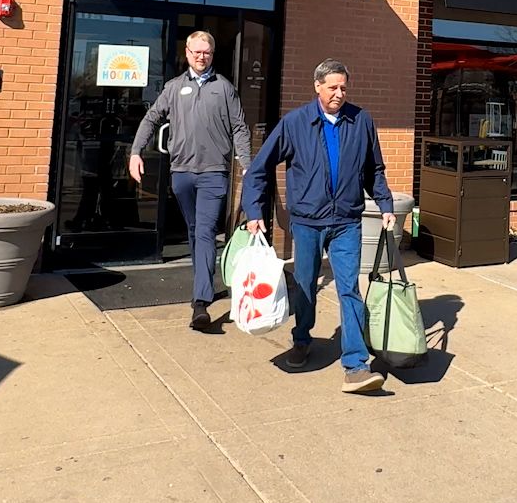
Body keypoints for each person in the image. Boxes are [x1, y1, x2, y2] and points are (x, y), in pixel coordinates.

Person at [241, 58, 396, 394]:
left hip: (346, 222)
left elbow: (374, 169)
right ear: (317, 87)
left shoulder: (361, 121)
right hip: (308, 222)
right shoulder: (295, 123)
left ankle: (356, 365)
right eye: (332, 87)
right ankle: (301, 339)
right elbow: (259, 168)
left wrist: (384, 204)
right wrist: (254, 210)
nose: (339, 93)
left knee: (349, 290)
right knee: (306, 285)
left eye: (343, 87)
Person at [130, 30, 250, 331]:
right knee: (195, 230)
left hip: (213, 173)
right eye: (196, 52)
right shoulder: (173, 88)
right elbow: (151, 118)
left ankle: (201, 302)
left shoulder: (224, 88)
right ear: (187, 53)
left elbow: (240, 128)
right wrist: (135, 152)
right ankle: (202, 284)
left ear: (212, 54)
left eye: (206, 52)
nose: (201, 57)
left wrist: (247, 164)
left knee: (207, 231)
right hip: (181, 172)